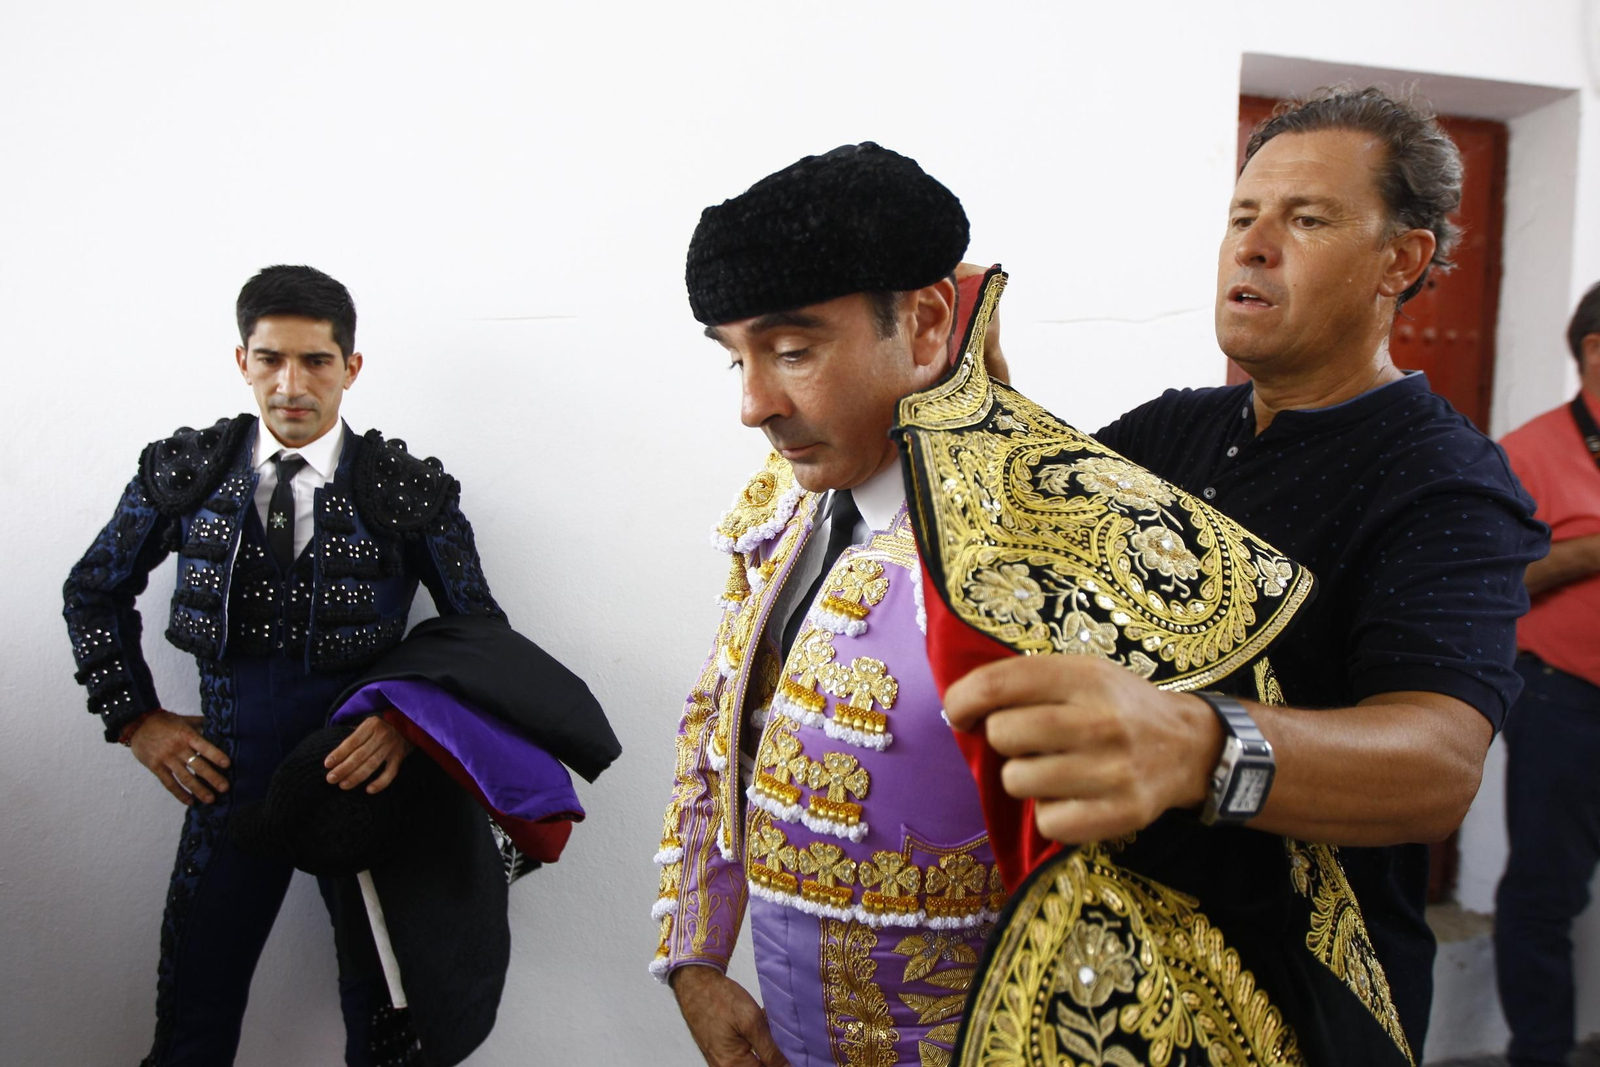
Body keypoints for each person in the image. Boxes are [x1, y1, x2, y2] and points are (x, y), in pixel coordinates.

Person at [648, 144, 1320, 1067]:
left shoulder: (1062, 536)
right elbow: (718, 725)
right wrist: (694, 957)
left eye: (793, 350)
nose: (756, 404)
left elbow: (1174, 879)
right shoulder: (785, 505)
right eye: (737, 361)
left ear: (925, 326)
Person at [943, 86, 1548, 1061]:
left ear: (1402, 259)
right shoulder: (1178, 426)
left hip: (1301, 1002)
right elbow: (1029, 535)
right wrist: (966, 391)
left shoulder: (1445, 483)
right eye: (1241, 217)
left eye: (1305, 219)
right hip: (1116, 983)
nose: (1253, 246)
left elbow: (1437, 763)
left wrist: (1196, 746)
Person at [63, 265, 508, 1066]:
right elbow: (92, 591)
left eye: (316, 361)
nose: (291, 383)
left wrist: (407, 725)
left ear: (352, 368)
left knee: (386, 1031)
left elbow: (481, 634)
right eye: (271, 359)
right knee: (191, 1025)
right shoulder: (189, 473)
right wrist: (136, 719)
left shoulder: (406, 489)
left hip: (366, 784)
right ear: (242, 361)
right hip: (228, 781)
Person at [1493, 281, 1600, 1067]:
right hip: (1566, 703)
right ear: (1595, 352)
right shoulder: (1527, 451)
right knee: (1543, 895)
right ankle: (1540, 1055)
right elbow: (1493, 577)